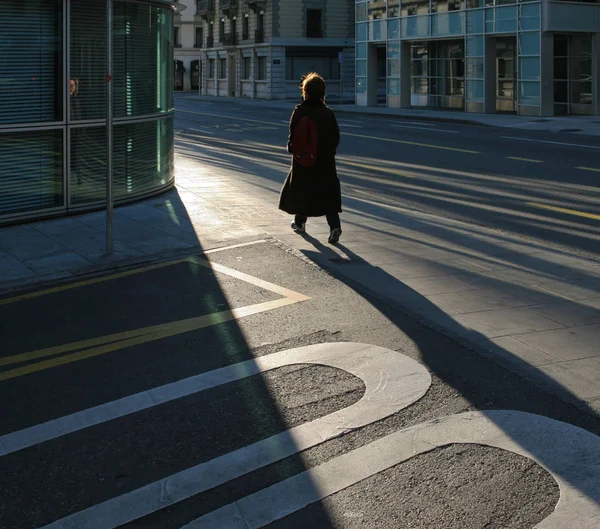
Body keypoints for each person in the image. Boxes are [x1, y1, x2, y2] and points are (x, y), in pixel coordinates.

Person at [278, 72, 342, 244]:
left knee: (303, 191)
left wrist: (294, 150)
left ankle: (299, 223)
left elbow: (293, 138)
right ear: (322, 93)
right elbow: (335, 137)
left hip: (303, 160)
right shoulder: (328, 113)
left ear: (305, 91)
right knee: (328, 194)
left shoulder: (299, 111)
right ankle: (334, 226)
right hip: (325, 162)